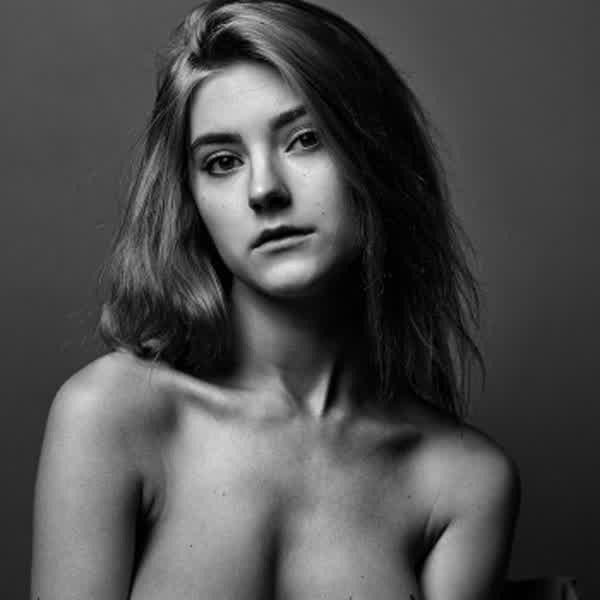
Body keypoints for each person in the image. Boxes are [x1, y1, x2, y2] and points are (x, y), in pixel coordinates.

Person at [31, 1, 520, 598]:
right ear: (192, 202)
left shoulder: (462, 483)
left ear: (376, 156)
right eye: (222, 162)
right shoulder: (112, 415)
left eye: (305, 139)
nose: (264, 190)